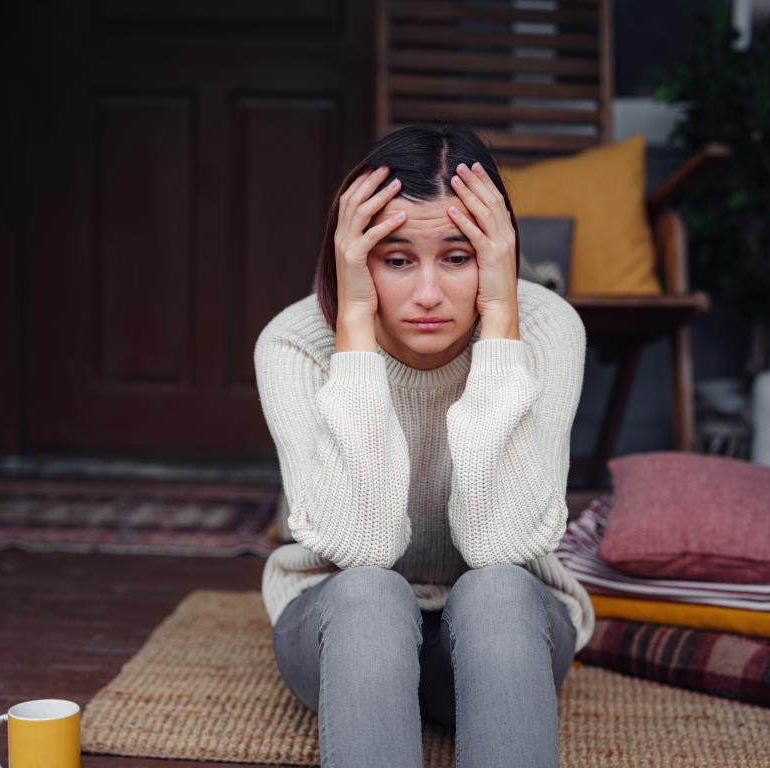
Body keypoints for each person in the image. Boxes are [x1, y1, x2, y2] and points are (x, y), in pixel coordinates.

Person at [254, 123, 595, 768]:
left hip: (504, 636)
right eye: (398, 258)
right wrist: (353, 325)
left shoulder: (547, 328)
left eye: (460, 257)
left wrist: (501, 327)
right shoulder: (296, 344)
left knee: (495, 589)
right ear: (356, 256)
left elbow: (500, 546)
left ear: (497, 256)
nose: (429, 294)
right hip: (341, 633)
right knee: (369, 591)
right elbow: (365, 547)